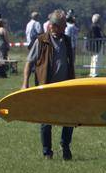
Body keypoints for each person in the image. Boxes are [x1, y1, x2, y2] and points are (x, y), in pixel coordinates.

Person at [23, 11, 76, 160]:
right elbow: (29, 63)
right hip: (46, 87)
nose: (66, 27)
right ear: (53, 26)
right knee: (45, 121)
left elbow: (69, 62)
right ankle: (47, 152)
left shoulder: (67, 40)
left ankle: (65, 146)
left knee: (69, 118)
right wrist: (25, 83)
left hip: (66, 87)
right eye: (63, 25)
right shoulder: (41, 41)